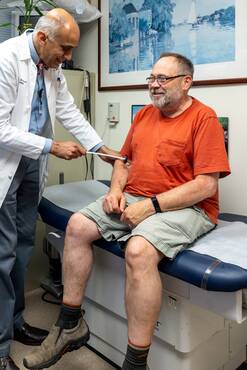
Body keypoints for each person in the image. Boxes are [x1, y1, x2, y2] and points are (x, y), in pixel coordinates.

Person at [23, 52, 230, 370]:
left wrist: (151, 206)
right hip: (136, 196)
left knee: (138, 249)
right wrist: (116, 191)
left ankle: (135, 363)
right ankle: (69, 325)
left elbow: (206, 186)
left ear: (186, 82)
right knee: (77, 225)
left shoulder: (204, 119)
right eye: (152, 78)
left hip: (188, 207)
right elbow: (123, 161)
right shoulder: (146, 115)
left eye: (163, 79)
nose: (154, 85)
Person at [0, 8, 119, 370]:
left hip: (32, 163)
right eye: (65, 49)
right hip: (7, 163)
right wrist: (51, 146)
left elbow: (68, 112)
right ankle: (0, 345)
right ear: (41, 38)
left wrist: (102, 150)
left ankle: (15, 321)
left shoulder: (50, 69)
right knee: (2, 256)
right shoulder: (6, 59)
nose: (67, 58)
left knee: (22, 246)